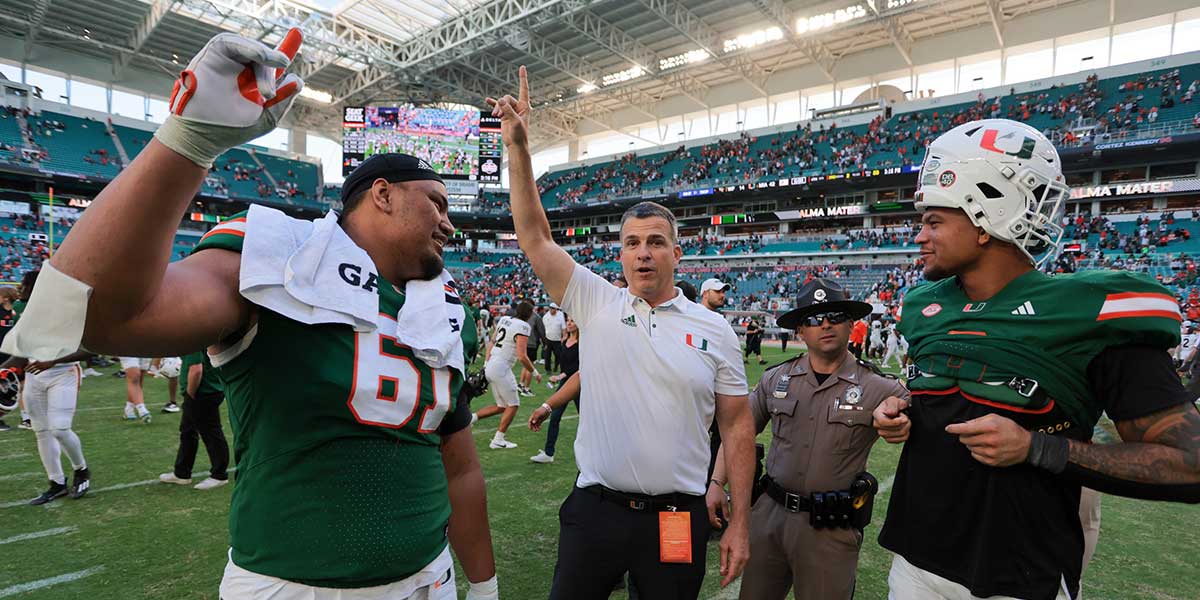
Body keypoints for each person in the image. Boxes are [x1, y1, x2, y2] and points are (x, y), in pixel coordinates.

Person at [5, 31, 499, 599]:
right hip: (291, 587)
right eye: (436, 202)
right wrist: (189, 142)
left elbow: (458, 464)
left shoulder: (444, 302)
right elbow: (104, 317)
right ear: (382, 195)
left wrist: (483, 587)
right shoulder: (287, 253)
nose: (449, 223)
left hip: (429, 580)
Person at [873, 118, 1200, 600]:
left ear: (986, 218)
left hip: (1021, 577)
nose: (919, 235)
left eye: (934, 220)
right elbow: (950, 391)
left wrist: (1038, 449)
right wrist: (902, 409)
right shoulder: (927, 307)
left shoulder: (1087, 312)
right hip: (915, 564)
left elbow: (1190, 464)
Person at [489, 66, 755, 598]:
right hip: (597, 511)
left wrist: (741, 522)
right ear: (621, 254)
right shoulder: (597, 301)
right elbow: (536, 238)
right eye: (632, 242)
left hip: (677, 519)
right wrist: (518, 148)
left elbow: (739, 430)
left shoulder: (714, 329)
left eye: (655, 241)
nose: (643, 252)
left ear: (676, 254)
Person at [709, 278, 909, 600]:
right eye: (814, 319)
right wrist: (718, 482)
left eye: (835, 316)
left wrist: (902, 412)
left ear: (851, 323)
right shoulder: (776, 378)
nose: (825, 324)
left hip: (830, 528)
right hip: (769, 518)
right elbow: (738, 430)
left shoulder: (878, 386)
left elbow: (915, 410)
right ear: (801, 331)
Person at [0, 346, 94, 504]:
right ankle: (57, 483)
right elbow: (22, 354)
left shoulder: (69, 320)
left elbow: (90, 349)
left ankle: (81, 470)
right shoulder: (29, 321)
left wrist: (54, 361)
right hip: (34, 375)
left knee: (60, 429)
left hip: (64, 372)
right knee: (41, 431)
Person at [158, 351, 229, 490]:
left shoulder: (193, 342)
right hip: (203, 391)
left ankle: (219, 475)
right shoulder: (192, 340)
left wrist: (190, 397)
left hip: (202, 393)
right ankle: (182, 473)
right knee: (187, 432)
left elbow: (196, 370)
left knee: (211, 433)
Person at [475, 300, 540, 449]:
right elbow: (522, 356)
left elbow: (491, 342)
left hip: (492, 363)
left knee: (502, 406)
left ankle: (470, 420)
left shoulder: (504, 319)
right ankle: (498, 439)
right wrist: (534, 372)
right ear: (529, 314)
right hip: (501, 367)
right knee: (513, 404)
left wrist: (486, 363)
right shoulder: (523, 326)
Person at [530, 316, 579, 464]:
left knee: (587, 419)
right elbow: (563, 363)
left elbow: (579, 366)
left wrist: (560, 376)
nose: (569, 323)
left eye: (573, 320)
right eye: (568, 320)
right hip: (565, 382)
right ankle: (548, 453)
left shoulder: (583, 343)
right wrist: (561, 376)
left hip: (579, 383)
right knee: (554, 416)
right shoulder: (564, 341)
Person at [0, 286, 17, 432]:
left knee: (9, 388)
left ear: (6, 298)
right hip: (0, 354)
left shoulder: (16, 312)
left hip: (11, 355)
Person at [519, 305, 545, 397]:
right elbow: (541, 331)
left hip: (523, 342)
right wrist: (544, 342)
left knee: (525, 364)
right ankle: (526, 388)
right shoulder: (536, 317)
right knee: (530, 365)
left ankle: (521, 384)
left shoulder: (521, 316)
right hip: (531, 343)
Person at [543, 303, 566, 373]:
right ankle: (548, 369)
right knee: (547, 355)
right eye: (550, 308)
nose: (551, 310)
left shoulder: (560, 315)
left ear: (556, 309)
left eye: (553, 308)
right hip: (548, 339)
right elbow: (544, 328)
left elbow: (563, 328)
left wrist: (564, 337)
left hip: (557, 340)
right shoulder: (546, 316)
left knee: (558, 355)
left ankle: (556, 366)